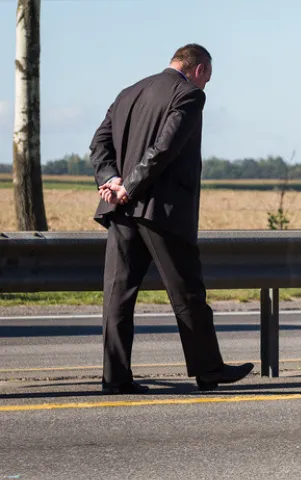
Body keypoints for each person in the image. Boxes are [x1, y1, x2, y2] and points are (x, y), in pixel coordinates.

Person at [89, 44, 253, 394]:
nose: (206, 84)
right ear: (201, 70)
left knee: (117, 296)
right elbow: (164, 149)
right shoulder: (190, 95)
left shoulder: (129, 92)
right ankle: (209, 370)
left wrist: (112, 181)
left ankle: (115, 378)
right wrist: (128, 188)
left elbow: (98, 145)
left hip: (121, 211)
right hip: (159, 210)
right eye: (208, 78)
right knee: (187, 292)